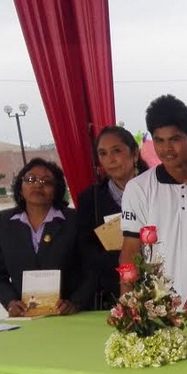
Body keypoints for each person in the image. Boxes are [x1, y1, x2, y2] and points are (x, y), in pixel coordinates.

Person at [120, 95, 187, 314]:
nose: (167, 148)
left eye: (175, 139)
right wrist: (128, 303)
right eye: (159, 140)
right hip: (158, 308)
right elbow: (130, 249)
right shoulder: (138, 188)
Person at [0, 158, 92, 315]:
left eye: (46, 181)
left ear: (57, 190)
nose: (38, 184)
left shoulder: (74, 220)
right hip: (25, 317)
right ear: (20, 188)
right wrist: (10, 302)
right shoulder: (4, 222)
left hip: (68, 316)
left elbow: (92, 270)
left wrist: (75, 303)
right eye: (30, 179)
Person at [75, 126, 145, 309]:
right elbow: (86, 247)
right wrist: (122, 258)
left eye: (117, 151)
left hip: (159, 283)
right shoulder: (91, 198)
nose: (111, 159)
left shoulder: (156, 190)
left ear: (135, 154)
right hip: (112, 291)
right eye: (103, 153)